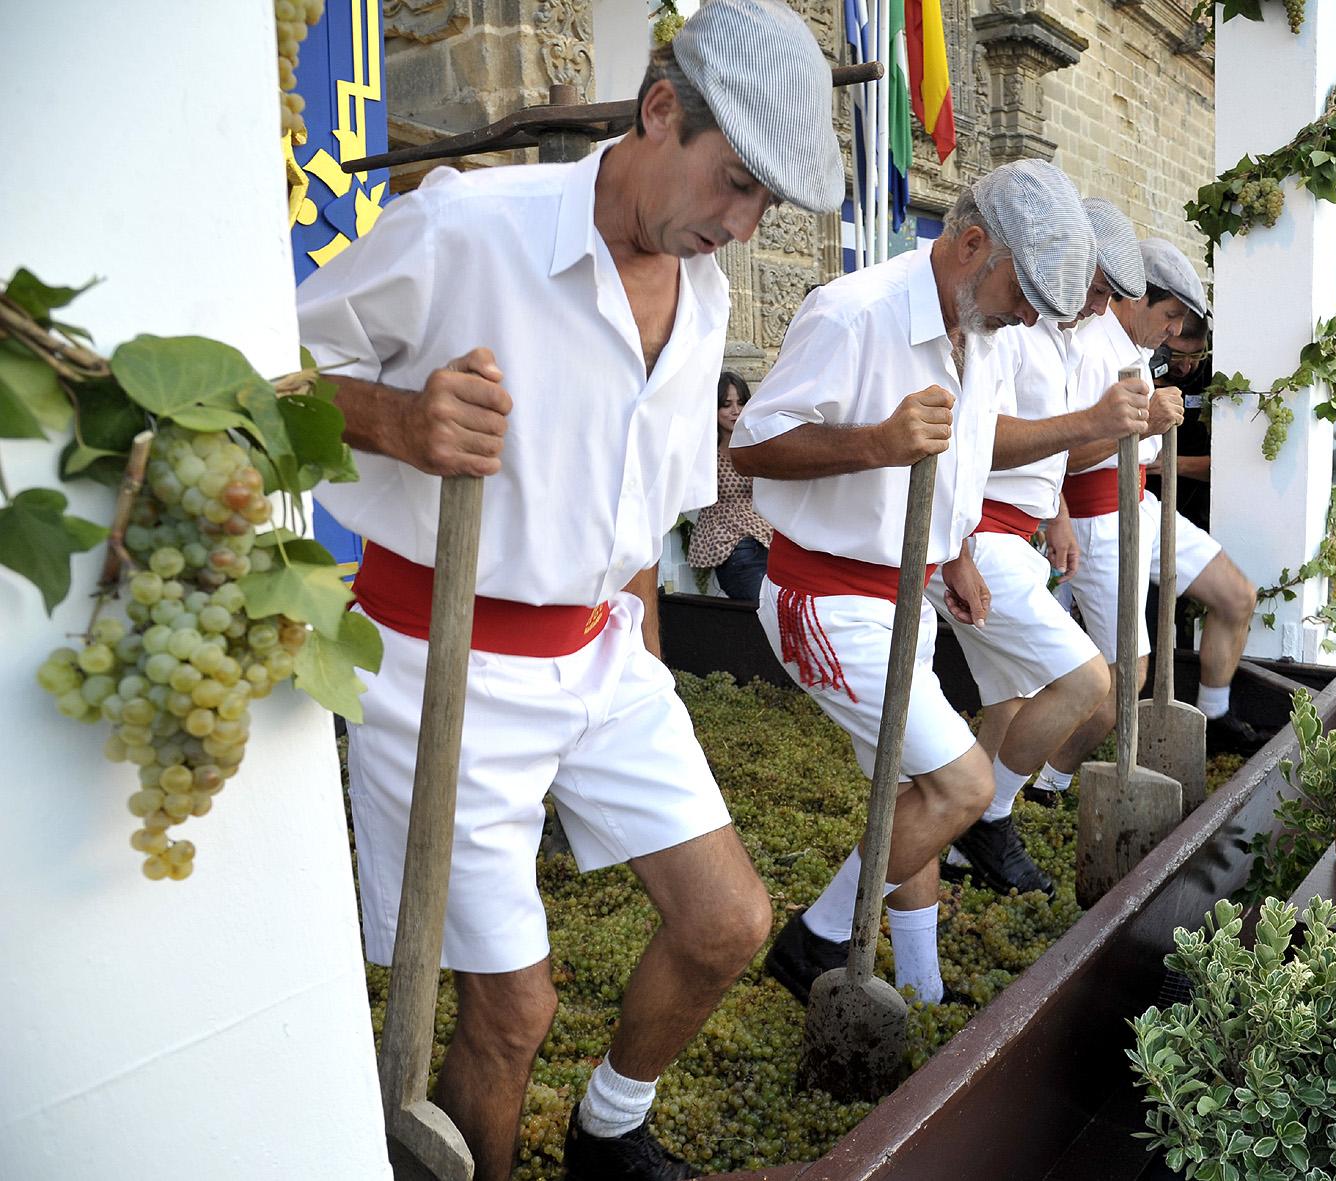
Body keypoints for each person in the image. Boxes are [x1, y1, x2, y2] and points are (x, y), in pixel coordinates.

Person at [295, 4, 844, 1177]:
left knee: (728, 920)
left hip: (605, 652)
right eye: (733, 183)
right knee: (511, 1013)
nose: (739, 227)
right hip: (437, 658)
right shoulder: (465, 229)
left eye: (765, 207)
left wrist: (643, 661)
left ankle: (608, 1132)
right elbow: (270, 375)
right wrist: (398, 415)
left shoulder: (700, 293)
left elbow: (646, 505)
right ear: (659, 111)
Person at [731, 161, 1097, 1006]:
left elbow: (963, 458)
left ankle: (922, 992)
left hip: (909, 594)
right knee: (963, 785)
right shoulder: (853, 312)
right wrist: (876, 442)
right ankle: (815, 939)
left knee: (916, 798)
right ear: (972, 245)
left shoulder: (985, 333)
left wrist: (958, 547)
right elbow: (750, 448)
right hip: (823, 597)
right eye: (1026, 289)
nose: (1031, 315)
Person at [930, 196, 1148, 893]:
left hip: (1012, 533)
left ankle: (957, 839)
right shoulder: (1011, 328)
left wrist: (1052, 509)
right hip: (973, 533)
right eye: (1095, 288)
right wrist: (1094, 424)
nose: (1099, 303)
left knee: (1013, 703)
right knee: (1088, 680)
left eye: (1107, 292)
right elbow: (983, 441)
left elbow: (1042, 443)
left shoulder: (1062, 337)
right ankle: (986, 819)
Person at [1042, 238, 1269, 766]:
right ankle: (1047, 784)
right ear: (1134, 297)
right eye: (1169, 316)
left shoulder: (1136, 351)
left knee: (1235, 595)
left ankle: (1213, 716)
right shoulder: (1086, 346)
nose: (1173, 333)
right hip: (1096, 519)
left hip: (1140, 503)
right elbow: (1063, 456)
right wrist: (1147, 422)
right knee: (1127, 677)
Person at [688, 371, 773, 600]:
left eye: (741, 403)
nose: (735, 411)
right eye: (726, 405)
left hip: (769, 542)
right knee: (758, 609)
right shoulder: (703, 453)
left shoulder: (759, 445)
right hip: (733, 545)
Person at [1148, 308, 1213, 530]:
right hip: (1145, 510)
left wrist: (1169, 463)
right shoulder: (1136, 370)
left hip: (1198, 515)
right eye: (1175, 356)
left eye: (1196, 355)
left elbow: (1228, 467)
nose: (1186, 367)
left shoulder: (1215, 377)